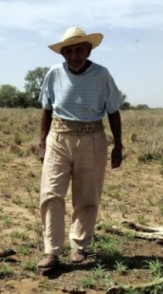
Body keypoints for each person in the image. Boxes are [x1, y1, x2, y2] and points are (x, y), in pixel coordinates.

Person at [37, 26, 124, 269]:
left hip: (92, 137)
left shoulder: (102, 75)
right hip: (59, 136)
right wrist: (42, 143)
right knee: (51, 193)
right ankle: (52, 252)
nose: (74, 55)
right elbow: (46, 108)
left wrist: (118, 145)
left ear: (88, 50)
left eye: (79, 50)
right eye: (69, 51)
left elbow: (113, 111)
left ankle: (80, 247)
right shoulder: (54, 73)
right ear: (62, 54)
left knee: (87, 195)